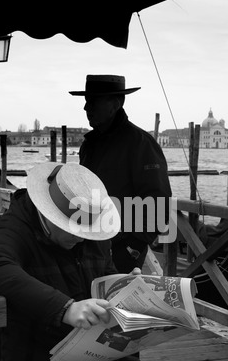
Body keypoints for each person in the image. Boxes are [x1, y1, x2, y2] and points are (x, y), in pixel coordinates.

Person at [0, 162, 195, 361]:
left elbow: (103, 275)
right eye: (75, 229)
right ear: (49, 215)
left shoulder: (92, 232)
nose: (82, 237)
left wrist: (126, 287)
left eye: (88, 230)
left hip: (101, 360)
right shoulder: (15, 229)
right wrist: (66, 308)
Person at [69, 74, 172, 273]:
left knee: (117, 301)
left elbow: (159, 203)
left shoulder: (141, 144)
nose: (86, 108)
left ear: (115, 104)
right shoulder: (89, 145)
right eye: (86, 101)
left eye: (92, 102)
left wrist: (133, 246)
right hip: (86, 243)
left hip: (121, 247)